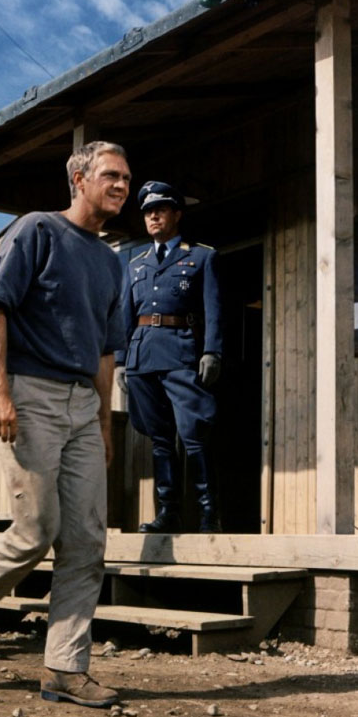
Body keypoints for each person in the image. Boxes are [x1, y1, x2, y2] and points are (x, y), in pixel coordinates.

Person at [0, 141, 130, 708]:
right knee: (36, 527)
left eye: (126, 178)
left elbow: (107, 353)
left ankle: (65, 669)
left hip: (82, 405)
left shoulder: (112, 262)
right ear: (78, 177)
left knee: (88, 539)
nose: (120, 186)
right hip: (31, 393)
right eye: (110, 175)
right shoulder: (37, 230)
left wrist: (106, 424)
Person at [116, 181, 223, 534]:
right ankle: (169, 513)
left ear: (177, 214)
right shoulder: (135, 263)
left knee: (193, 434)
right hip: (142, 356)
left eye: (160, 209)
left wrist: (212, 350)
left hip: (181, 352)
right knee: (159, 438)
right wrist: (120, 359)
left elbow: (213, 308)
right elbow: (124, 313)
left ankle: (209, 513)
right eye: (148, 211)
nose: (153, 216)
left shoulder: (201, 256)